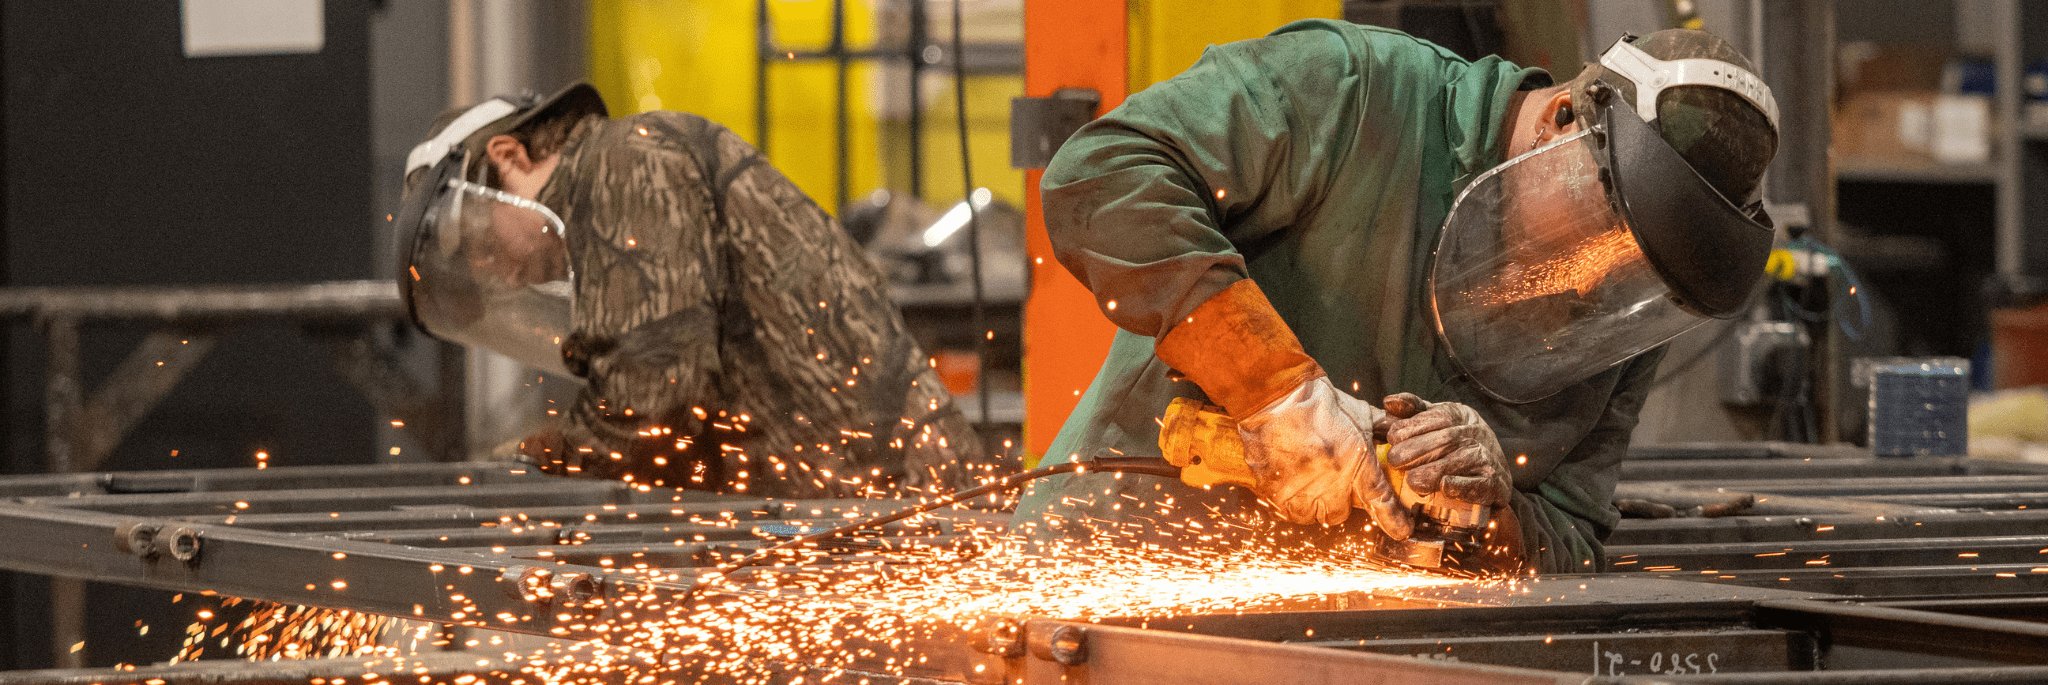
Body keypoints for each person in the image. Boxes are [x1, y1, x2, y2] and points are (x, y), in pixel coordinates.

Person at [1012, 22, 1779, 574]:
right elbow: (1104, 171)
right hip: (1113, 581)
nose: (1595, 283)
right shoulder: (1350, 91)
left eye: (1633, 277)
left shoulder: (1629, 307)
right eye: (1604, 241)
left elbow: (1574, 532)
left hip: (1341, 646)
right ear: (1564, 122)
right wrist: (1272, 389)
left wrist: (1494, 508)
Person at [393, 83, 986, 498]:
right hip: (850, 504)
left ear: (509, 156)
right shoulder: (610, 188)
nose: (496, 271)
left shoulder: (623, 162)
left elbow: (652, 399)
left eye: (483, 245)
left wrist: (526, 466)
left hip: (903, 506)